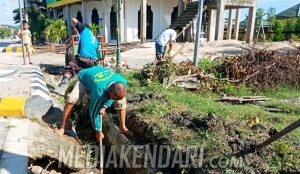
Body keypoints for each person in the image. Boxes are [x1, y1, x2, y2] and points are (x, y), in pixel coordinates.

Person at [56, 66, 132, 141]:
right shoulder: (99, 91)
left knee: (121, 101)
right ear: (110, 91)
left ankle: (122, 127)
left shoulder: (122, 81)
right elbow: (93, 113)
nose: (114, 100)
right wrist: (98, 131)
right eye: (114, 98)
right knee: (71, 99)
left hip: (99, 72)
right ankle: (63, 127)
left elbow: (111, 98)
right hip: (85, 78)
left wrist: (105, 106)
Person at [54, 18, 99, 96]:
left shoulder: (84, 29)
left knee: (69, 69)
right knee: (85, 76)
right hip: (93, 61)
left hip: (83, 57)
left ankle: (62, 88)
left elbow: (73, 20)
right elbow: (97, 51)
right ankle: (85, 94)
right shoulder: (94, 38)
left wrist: (77, 26)